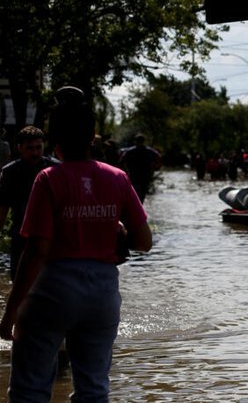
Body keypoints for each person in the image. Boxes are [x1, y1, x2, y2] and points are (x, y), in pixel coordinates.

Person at [0, 86, 152, 401]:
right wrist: (118, 230)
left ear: (54, 141)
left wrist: (11, 311)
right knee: (94, 389)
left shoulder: (48, 179)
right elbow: (144, 242)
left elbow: (37, 250)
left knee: (30, 389)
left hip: (54, 288)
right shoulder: (117, 177)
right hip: (103, 292)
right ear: (93, 136)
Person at [0, 126, 60, 280]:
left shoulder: (56, 169)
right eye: (30, 148)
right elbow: (3, 206)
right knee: (19, 282)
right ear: (19, 148)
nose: (35, 153)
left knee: (52, 284)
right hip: (21, 236)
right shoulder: (10, 172)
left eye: (38, 147)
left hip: (52, 237)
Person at [119, 133, 161, 202]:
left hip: (134, 176)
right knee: (142, 195)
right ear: (144, 141)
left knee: (134, 195)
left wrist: (124, 172)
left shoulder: (130, 151)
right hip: (145, 176)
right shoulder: (149, 151)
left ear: (135, 141)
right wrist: (156, 168)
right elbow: (158, 157)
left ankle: (136, 209)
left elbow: (121, 162)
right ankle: (140, 209)